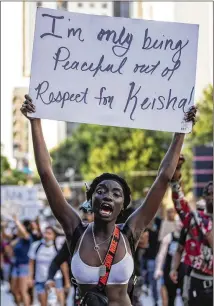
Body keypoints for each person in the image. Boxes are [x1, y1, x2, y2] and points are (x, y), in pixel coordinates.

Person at [21, 94, 196, 306]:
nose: (108, 196)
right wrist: (35, 122)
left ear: (123, 205)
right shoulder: (75, 230)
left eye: (116, 194)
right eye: (101, 191)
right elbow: (47, 174)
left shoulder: (130, 233)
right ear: (91, 199)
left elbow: (163, 178)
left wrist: (180, 132)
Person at [169, 157, 213, 306]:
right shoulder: (196, 220)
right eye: (210, 193)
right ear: (205, 197)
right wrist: (176, 178)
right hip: (197, 281)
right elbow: (179, 203)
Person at [28, 226, 65, 306]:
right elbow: (31, 263)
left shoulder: (57, 247)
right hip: (40, 279)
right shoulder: (36, 246)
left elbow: (63, 264)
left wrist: (67, 281)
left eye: (49, 233)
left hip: (55, 279)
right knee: (43, 303)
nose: (46, 235)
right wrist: (30, 278)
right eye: (45, 233)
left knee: (56, 303)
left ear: (54, 236)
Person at [154, 219, 184, 306]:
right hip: (169, 270)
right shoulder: (169, 236)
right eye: (178, 222)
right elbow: (162, 254)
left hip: (182, 271)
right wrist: (158, 268)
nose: (180, 225)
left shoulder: (188, 237)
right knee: (170, 297)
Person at [10, 216, 33, 306]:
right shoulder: (19, 240)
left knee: (23, 291)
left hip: (25, 266)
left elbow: (24, 233)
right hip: (16, 266)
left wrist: (16, 221)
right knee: (14, 289)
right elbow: (10, 245)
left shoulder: (28, 238)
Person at [143, 216, 162, 306]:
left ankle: (156, 300)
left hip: (153, 257)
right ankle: (142, 287)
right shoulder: (143, 221)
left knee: (153, 279)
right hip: (141, 256)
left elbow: (160, 238)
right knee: (137, 277)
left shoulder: (158, 222)